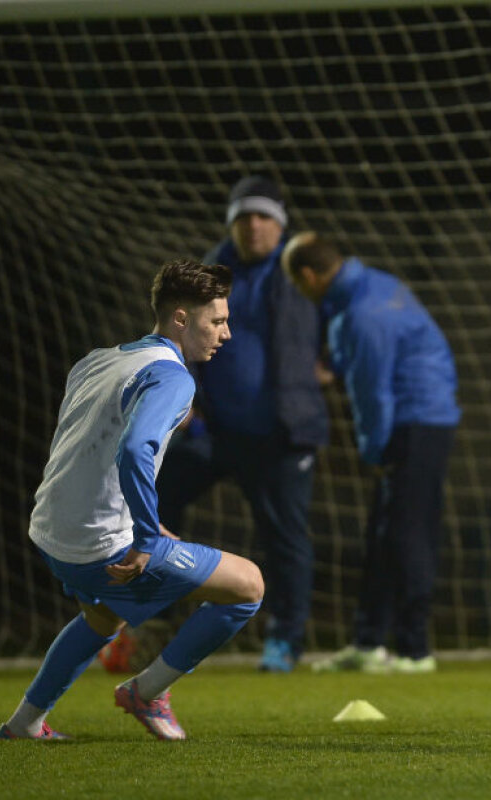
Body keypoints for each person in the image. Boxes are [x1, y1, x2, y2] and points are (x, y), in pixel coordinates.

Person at [0, 258, 263, 742]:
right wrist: (142, 533)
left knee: (102, 616)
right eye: (217, 321)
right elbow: (135, 447)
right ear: (181, 318)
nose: (226, 333)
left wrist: (136, 516)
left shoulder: (99, 359)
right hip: (105, 543)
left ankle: (23, 724)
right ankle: (147, 692)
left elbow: (78, 442)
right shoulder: (174, 378)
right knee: (248, 587)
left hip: (52, 529)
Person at [157, 176, 330, 673]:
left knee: (285, 538)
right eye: (243, 216)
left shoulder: (305, 272)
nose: (253, 226)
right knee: (153, 505)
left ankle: (284, 642)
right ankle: (151, 623)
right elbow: (176, 336)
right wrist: (181, 394)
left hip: (281, 435)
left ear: (281, 225)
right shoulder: (206, 276)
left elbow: (346, 319)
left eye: (263, 216)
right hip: (213, 431)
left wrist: (342, 362)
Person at [280, 232, 461, 675]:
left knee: (407, 534)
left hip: (414, 423)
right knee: (383, 535)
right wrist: (336, 364)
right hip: (424, 415)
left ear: (308, 276)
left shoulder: (362, 315)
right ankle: (367, 643)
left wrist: (374, 450)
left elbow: (374, 395)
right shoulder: (372, 287)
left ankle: (416, 651)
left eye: (297, 285)